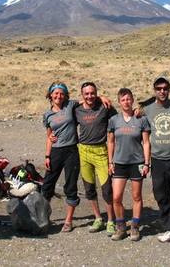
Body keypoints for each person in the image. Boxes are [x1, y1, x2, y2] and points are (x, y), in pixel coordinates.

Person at [139, 75, 170, 252]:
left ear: (168, 89)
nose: (162, 91)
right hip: (157, 159)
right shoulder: (148, 109)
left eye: (165, 88)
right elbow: (135, 118)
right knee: (161, 194)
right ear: (154, 90)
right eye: (159, 88)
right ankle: (169, 228)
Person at [107, 88, 151, 241]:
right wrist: (110, 162)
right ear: (119, 102)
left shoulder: (141, 119)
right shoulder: (114, 120)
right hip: (119, 162)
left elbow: (146, 143)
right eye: (123, 100)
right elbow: (111, 142)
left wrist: (146, 163)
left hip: (137, 162)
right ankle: (120, 227)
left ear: (132, 100)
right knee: (117, 197)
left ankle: (135, 227)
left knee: (136, 196)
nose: (126, 102)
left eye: (128, 99)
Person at [75, 82, 117, 236]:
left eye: (93, 93)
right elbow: (65, 122)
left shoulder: (104, 107)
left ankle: (111, 220)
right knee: (89, 188)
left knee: (107, 189)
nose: (90, 96)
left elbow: (120, 120)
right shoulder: (77, 110)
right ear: (82, 95)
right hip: (84, 151)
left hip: (101, 150)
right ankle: (98, 218)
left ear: (96, 93)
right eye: (86, 94)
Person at [42, 82, 81, 232]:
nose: (58, 96)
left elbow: (88, 99)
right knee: (47, 185)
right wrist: (47, 156)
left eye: (61, 93)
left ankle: (69, 220)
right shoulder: (47, 115)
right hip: (55, 152)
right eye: (56, 93)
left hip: (71, 150)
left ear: (65, 95)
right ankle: (43, 216)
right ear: (51, 95)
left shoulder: (70, 105)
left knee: (71, 185)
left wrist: (103, 98)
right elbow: (49, 136)